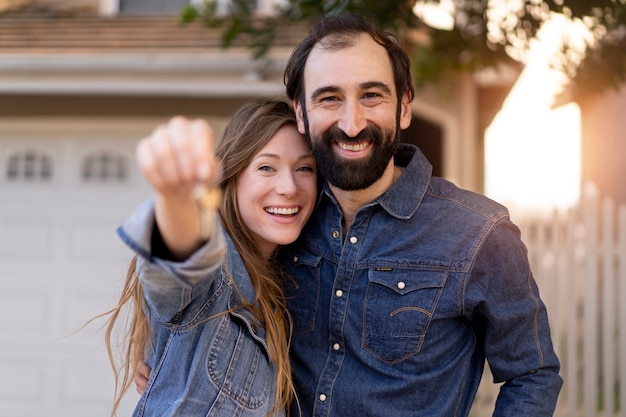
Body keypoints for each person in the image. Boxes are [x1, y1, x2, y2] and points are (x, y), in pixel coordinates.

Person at [136, 12, 563, 417]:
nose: (352, 123)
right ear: (301, 112)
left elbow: (532, 373)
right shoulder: (286, 221)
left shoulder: (480, 233)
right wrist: (165, 345)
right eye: (330, 98)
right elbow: (188, 271)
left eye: (371, 95)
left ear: (405, 106)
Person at [103, 99, 317, 417]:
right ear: (232, 175)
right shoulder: (218, 267)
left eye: (305, 168)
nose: (289, 187)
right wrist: (176, 198)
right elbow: (178, 264)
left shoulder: (283, 282)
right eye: (266, 167)